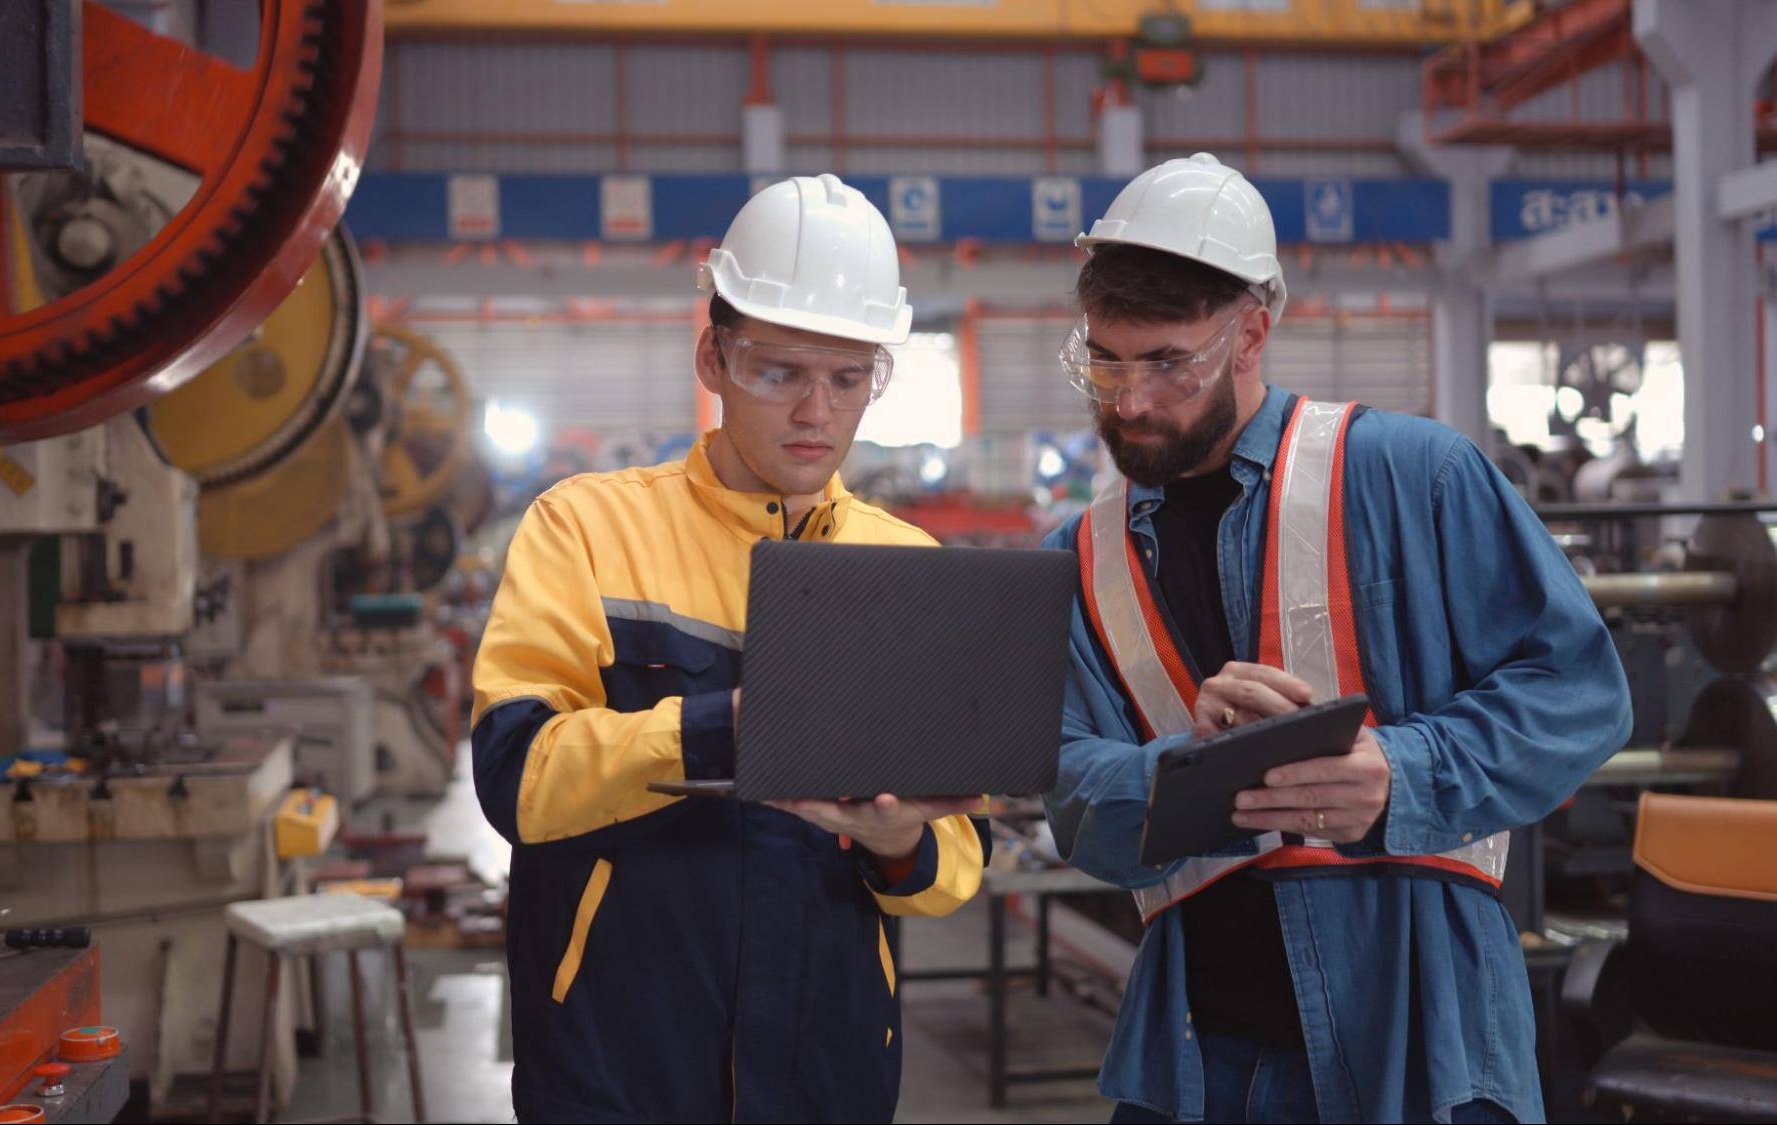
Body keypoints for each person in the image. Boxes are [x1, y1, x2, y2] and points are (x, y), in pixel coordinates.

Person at [1041, 153, 1631, 1124]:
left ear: (1250, 333)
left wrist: (1400, 772)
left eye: (1166, 363)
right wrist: (1186, 771)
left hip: (1423, 1037)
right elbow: (1070, 795)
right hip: (1193, 1061)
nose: (1129, 401)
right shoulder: (1078, 558)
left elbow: (1578, 693)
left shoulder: (1416, 476)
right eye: (1105, 360)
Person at [470, 173, 987, 1124]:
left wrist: (900, 841)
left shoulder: (906, 566)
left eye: (847, 379)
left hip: (827, 1072)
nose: (815, 412)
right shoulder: (586, 529)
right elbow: (517, 778)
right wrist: (723, 730)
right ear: (713, 358)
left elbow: (956, 859)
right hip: (619, 1066)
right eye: (779, 372)